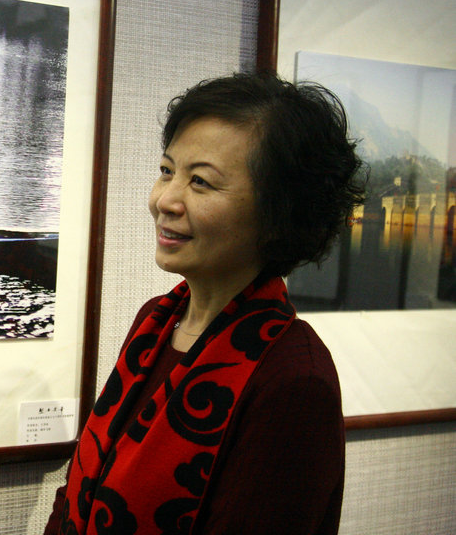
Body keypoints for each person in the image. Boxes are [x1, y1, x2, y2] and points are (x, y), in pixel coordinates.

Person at [45, 72, 365, 535]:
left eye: (200, 182)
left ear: (279, 213)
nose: (165, 200)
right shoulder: (156, 322)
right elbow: (82, 486)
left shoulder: (294, 378)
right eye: (166, 171)